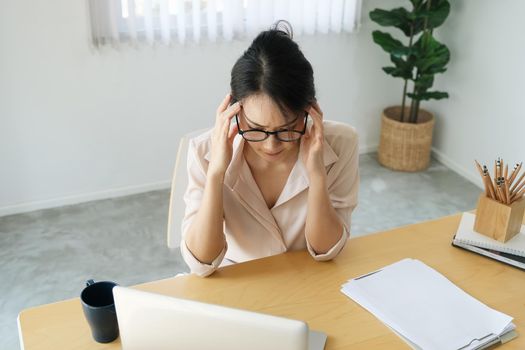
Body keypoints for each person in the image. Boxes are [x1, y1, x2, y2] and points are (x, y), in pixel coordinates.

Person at [180, 21, 359, 277]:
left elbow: (327, 251)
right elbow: (201, 263)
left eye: (287, 128)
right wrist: (216, 173)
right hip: (241, 284)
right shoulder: (204, 151)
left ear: (310, 110)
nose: (271, 144)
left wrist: (316, 175)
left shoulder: (341, 143)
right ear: (234, 111)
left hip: (308, 281)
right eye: (256, 128)